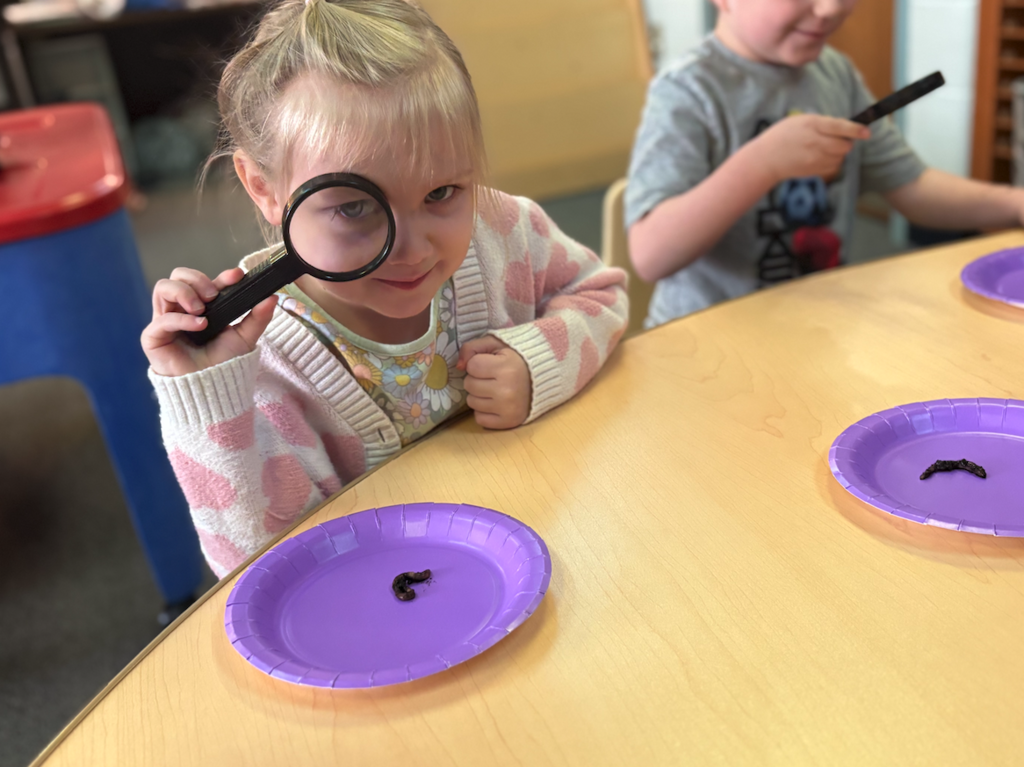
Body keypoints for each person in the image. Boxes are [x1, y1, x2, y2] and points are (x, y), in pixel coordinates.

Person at [142, 0, 628, 577]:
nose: (414, 249)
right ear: (264, 189)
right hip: (389, 599)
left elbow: (601, 295)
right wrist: (209, 396)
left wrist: (537, 363)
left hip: (547, 536)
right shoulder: (259, 358)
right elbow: (254, 566)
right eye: (353, 207)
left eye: (443, 192)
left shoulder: (502, 232)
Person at [627, 0, 1024, 326]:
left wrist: (1014, 203)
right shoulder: (687, 91)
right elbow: (650, 254)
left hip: (813, 329)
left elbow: (912, 186)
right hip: (702, 342)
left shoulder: (835, 74)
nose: (832, 8)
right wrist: (762, 163)